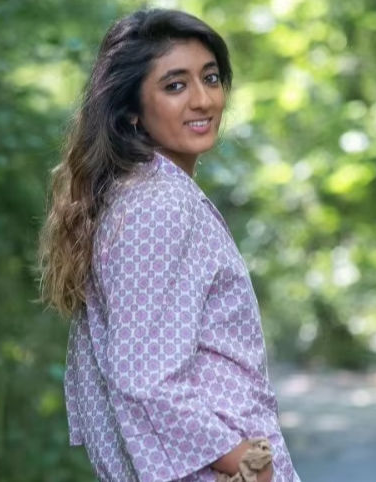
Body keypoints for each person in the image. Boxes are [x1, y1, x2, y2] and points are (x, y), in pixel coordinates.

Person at [38, 8, 301, 482]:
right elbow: (143, 377)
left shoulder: (146, 195)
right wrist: (245, 462)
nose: (203, 100)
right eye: (175, 85)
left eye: (211, 78)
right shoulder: (158, 206)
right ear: (132, 110)